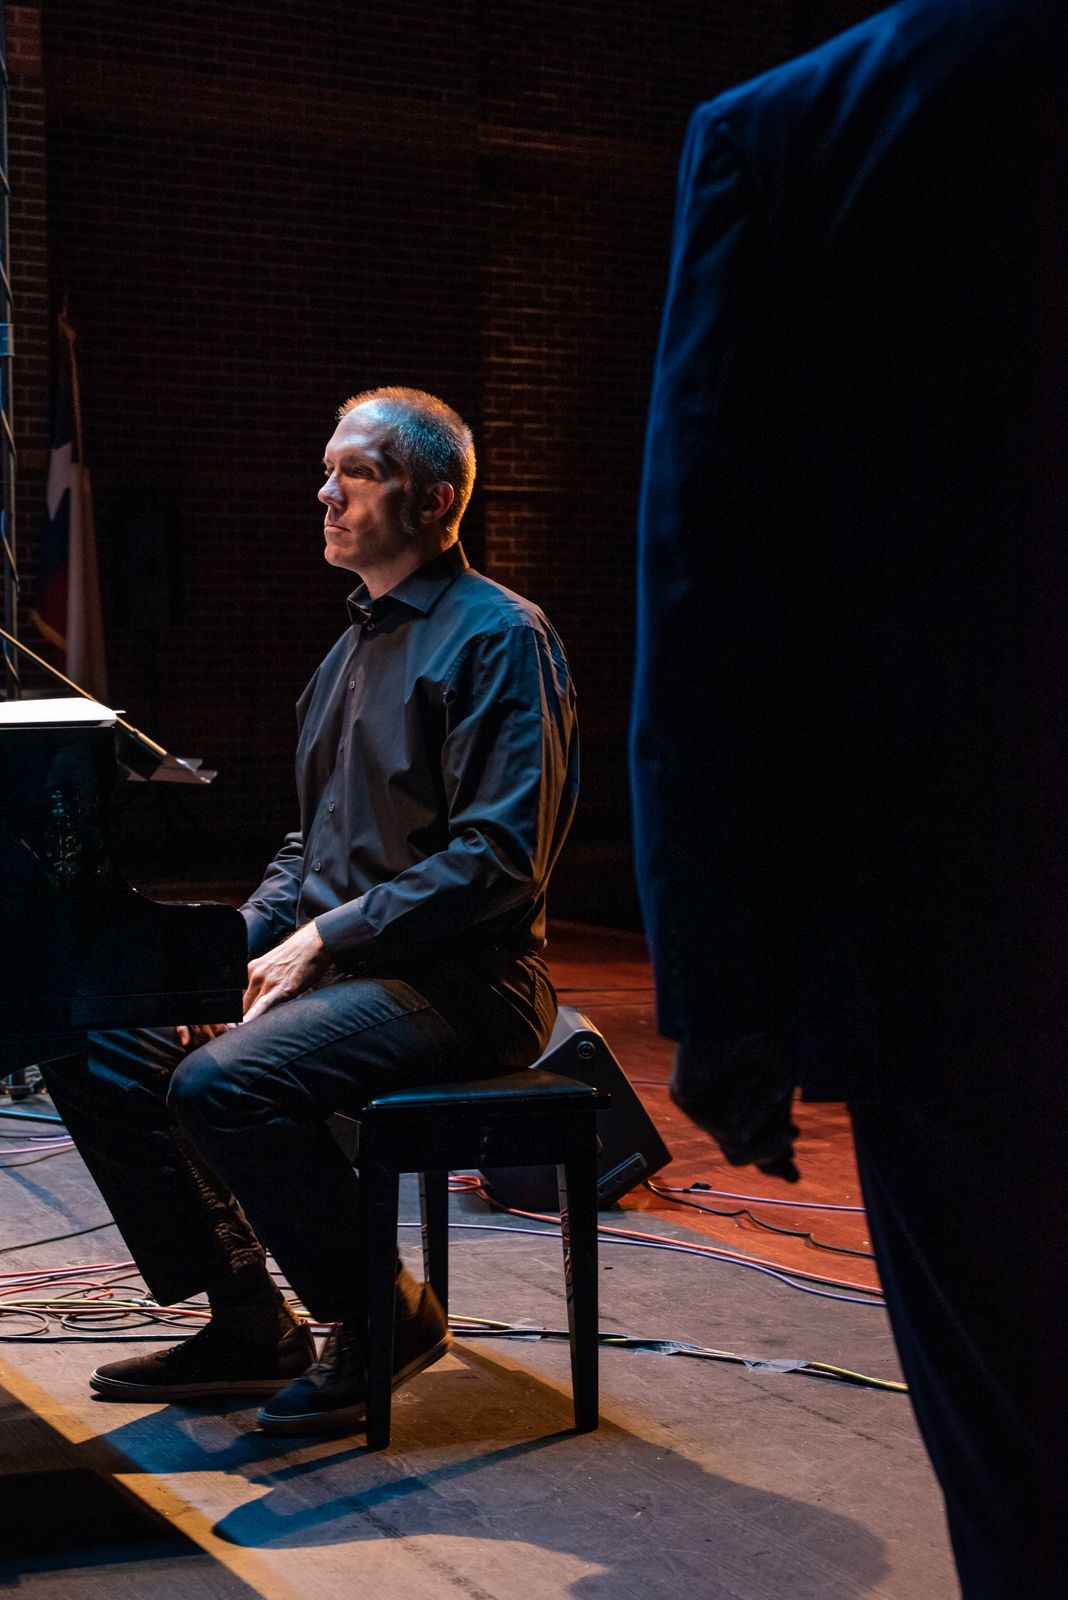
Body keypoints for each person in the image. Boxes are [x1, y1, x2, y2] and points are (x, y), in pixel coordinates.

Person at [629, 1, 1066, 1593]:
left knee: (1033, 1485)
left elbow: (709, 589)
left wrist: (724, 995)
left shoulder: (802, 134)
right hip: (961, 941)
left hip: (968, 940)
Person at [43, 386, 578, 1436]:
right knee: (95, 1030)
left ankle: (382, 1314)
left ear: (435, 499)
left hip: (465, 982)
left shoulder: (501, 637)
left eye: (357, 473)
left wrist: (326, 939)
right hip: (357, 974)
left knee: (223, 1083)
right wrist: (227, 955)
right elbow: (310, 849)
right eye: (327, 471)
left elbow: (500, 858)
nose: (326, 493)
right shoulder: (349, 653)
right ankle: (251, 1319)